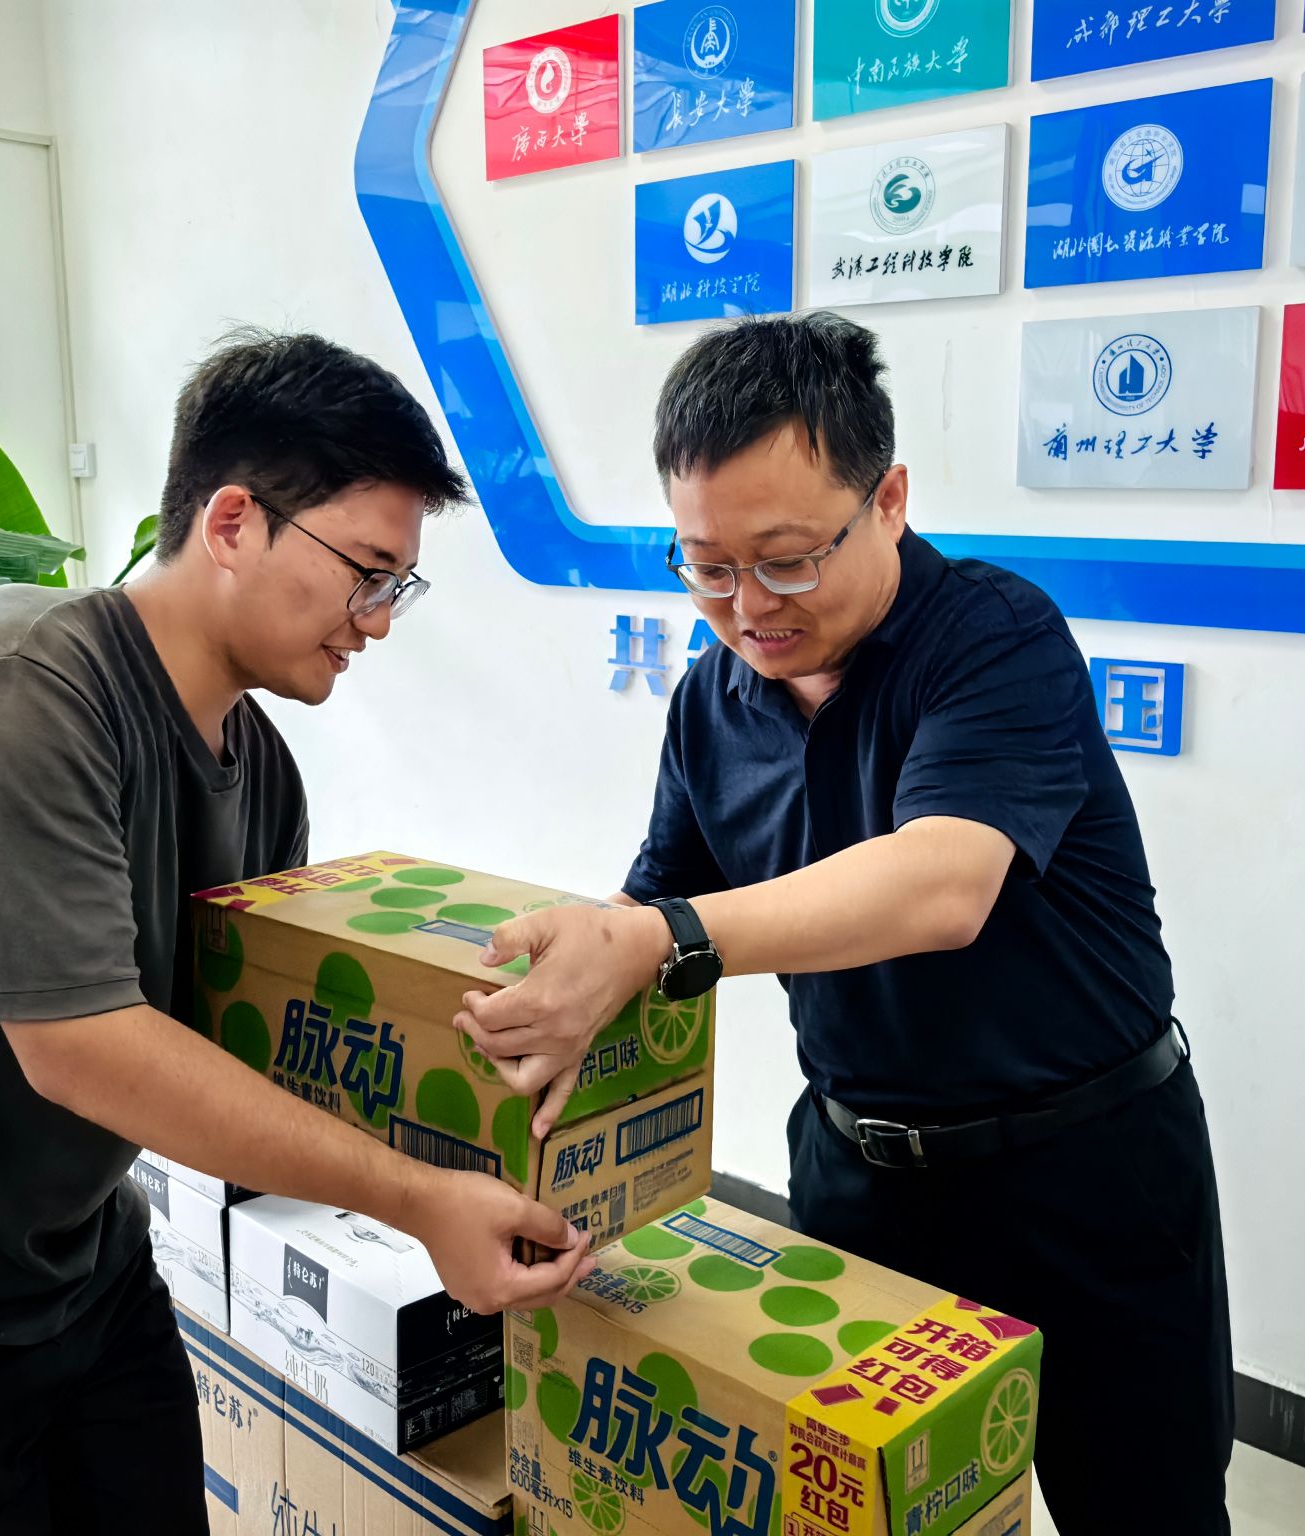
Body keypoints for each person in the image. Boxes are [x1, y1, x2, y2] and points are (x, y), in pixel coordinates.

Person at [0, 329, 596, 1535]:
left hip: (70, 1263)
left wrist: (495, 1056)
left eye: (396, 587)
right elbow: (81, 1046)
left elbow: (253, 1041)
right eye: (366, 571)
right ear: (232, 523)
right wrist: (422, 1200)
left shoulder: (260, 774)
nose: (376, 620)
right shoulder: (18, 685)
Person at [456, 312, 1232, 1533]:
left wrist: (658, 941)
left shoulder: (994, 639)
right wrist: (553, 1000)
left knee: (1142, 1507)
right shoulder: (710, 701)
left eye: (784, 561)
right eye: (705, 567)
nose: (744, 607)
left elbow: (940, 884)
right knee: (858, 1513)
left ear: (889, 501)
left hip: (1084, 1172)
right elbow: (651, 903)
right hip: (856, 1179)